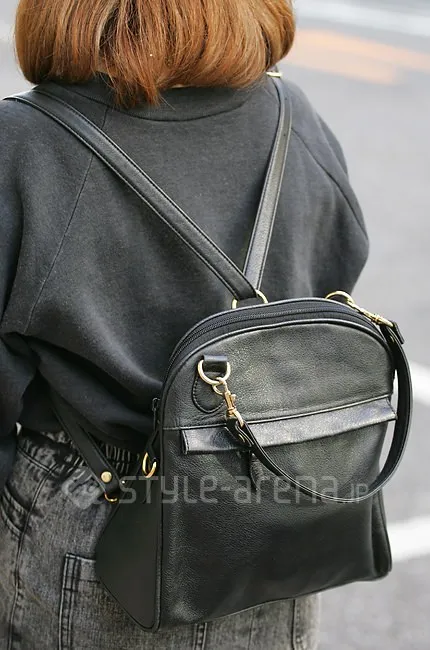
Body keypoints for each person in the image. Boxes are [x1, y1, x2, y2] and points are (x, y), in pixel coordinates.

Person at [0, 1, 369, 648]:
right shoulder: (293, 117)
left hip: (101, 510)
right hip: (278, 499)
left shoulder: (26, 143)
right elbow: (335, 277)